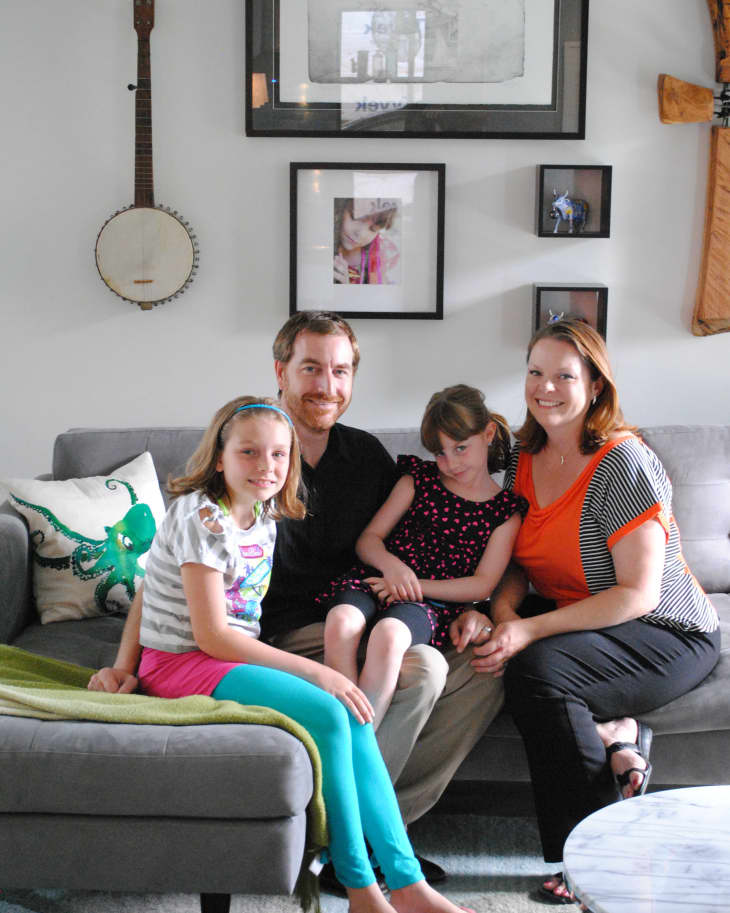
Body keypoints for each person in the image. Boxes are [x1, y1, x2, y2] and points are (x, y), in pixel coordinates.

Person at [90, 312, 505, 890]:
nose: (326, 386)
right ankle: (357, 841)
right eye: (311, 368)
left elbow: (420, 545)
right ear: (281, 371)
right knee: (423, 669)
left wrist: (481, 610)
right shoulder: (245, 462)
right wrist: (122, 664)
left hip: (362, 613)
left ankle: (356, 830)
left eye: (340, 371)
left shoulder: (367, 460)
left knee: (488, 667)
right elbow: (166, 575)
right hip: (275, 636)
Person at [128, 393, 473, 913]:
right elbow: (211, 637)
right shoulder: (201, 518)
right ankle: (364, 890)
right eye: (248, 452)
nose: (266, 466)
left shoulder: (265, 518)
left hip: (229, 658)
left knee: (351, 716)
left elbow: (174, 593)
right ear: (218, 456)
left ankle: (404, 885)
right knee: (335, 706)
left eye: (278, 454)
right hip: (183, 664)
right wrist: (320, 673)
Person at [468, 318, 721, 904]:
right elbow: (513, 560)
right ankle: (616, 735)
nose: (545, 387)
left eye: (564, 376)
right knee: (507, 651)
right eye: (535, 372)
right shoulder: (523, 457)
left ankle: (584, 855)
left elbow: (637, 592)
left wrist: (528, 630)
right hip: (579, 612)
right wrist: (505, 614)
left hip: (666, 629)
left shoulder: (623, 463)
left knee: (540, 674)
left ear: (596, 387)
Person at [319, 385, 527, 729]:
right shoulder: (420, 479)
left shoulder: (504, 511)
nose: (451, 462)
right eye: (440, 452)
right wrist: (394, 569)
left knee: (388, 635)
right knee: (341, 620)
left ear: (488, 433)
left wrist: (413, 586)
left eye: (461, 448)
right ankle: (336, 727)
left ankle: (361, 740)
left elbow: (482, 585)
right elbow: (369, 540)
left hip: (430, 603)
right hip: (378, 579)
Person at [333, 197, 400, 285]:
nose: (361, 234)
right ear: (341, 209)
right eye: (357, 219)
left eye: (373, 229)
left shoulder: (383, 256)